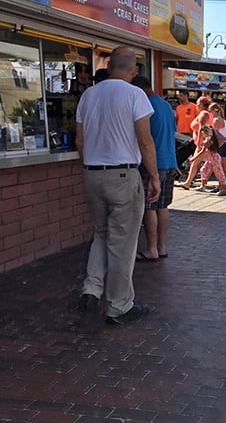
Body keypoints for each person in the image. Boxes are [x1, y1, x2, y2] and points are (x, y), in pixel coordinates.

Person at [75, 46, 160, 325]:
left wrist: (91, 166)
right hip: (123, 176)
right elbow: (145, 141)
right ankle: (119, 305)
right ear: (134, 71)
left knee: (101, 233)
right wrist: (154, 176)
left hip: (92, 173)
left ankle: (91, 287)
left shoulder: (88, 95)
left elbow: (80, 141)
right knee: (123, 243)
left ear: (109, 65)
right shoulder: (135, 94)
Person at [130, 75, 178, 262]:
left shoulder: (144, 106)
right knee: (163, 206)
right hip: (170, 161)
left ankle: (151, 249)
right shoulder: (166, 105)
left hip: (152, 164)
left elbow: (143, 139)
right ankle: (162, 247)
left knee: (149, 207)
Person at [180, 96, 213, 189]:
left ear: (203, 104)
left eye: (198, 102)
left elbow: (201, 129)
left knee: (196, 163)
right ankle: (197, 182)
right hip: (203, 142)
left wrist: (199, 143)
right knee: (210, 162)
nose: (197, 104)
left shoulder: (204, 114)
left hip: (202, 143)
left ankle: (188, 182)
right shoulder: (205, 113)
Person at [194, 125, 226, 195]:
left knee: (219, 173)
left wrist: (194, 158)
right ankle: (203, 186)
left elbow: (202, 151)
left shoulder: (208, 140)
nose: (202, 134)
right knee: (204, 170)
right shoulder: (210, 139)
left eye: (202, 132)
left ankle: (223, 188)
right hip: (210, 158)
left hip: (214, 158)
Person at [209, 102, 226, 188]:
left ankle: (223, 182)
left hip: (223, 143)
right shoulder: (221, 118)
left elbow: (214, 134)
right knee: (224, 163)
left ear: (213, 111)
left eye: (210, 111)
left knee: (219, 164)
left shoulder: (216, 120)